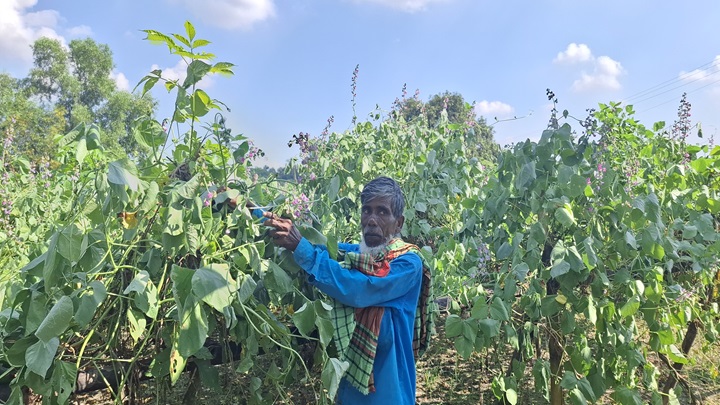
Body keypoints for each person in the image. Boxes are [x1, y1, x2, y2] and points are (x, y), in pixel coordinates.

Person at [262, 176, 433, 405]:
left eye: (382, 212)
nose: (372, 220)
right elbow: (319, 247)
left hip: (390, 394)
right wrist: (249, 210)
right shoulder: (360, 255)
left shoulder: (408, 264)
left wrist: (304, 250)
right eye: (367, 210)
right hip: (353, 391)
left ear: (399, 223)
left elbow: (359, 289)